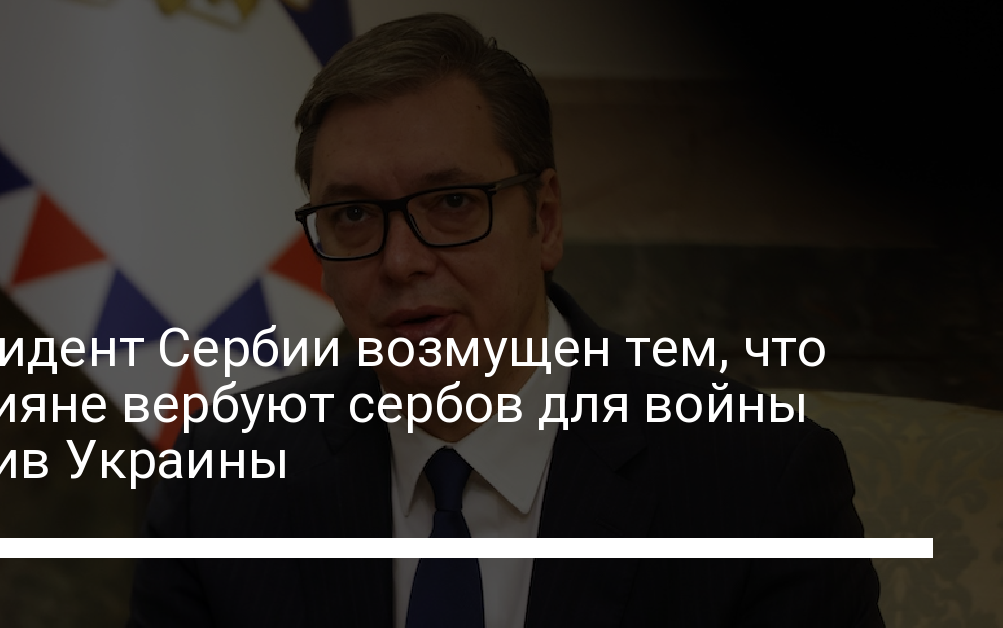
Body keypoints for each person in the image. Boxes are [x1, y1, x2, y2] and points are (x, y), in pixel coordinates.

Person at [128, 13, 883, 627]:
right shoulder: (219, 484)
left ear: (544, 220)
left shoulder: (754, 485)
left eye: (452, 203)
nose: (400, 261)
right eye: (353, 216)